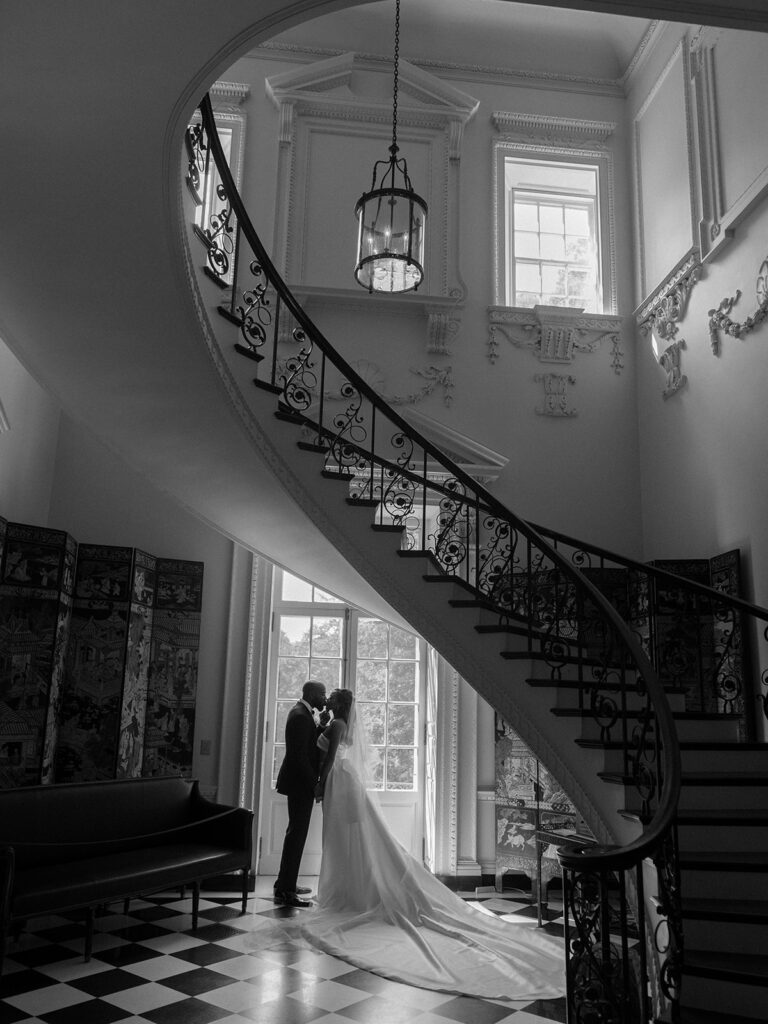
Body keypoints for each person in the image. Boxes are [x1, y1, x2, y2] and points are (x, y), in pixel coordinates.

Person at [303, 688, 566, 1001]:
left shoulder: (336, 726)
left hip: (337, 779)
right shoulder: (339, 723)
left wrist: (320, 782)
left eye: (333, 697)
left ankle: (350, 889)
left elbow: (330, 757)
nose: (328, 699)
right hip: (345, 780)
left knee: (342, 839)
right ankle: (354, 886)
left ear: (340, 704)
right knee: (352, 840)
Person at [273, 679, 327, 907]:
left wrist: (322, 726)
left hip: (298, 783)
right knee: (296, 836)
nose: (325, 699)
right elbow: (299, 756)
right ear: (313, 693)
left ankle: (285, 883)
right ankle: (285, 891)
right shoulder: (299, 716)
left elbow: (309, 744)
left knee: (295, 835)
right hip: (299, 784)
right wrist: (314, 782)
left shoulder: (303, 713)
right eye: (322, 694)